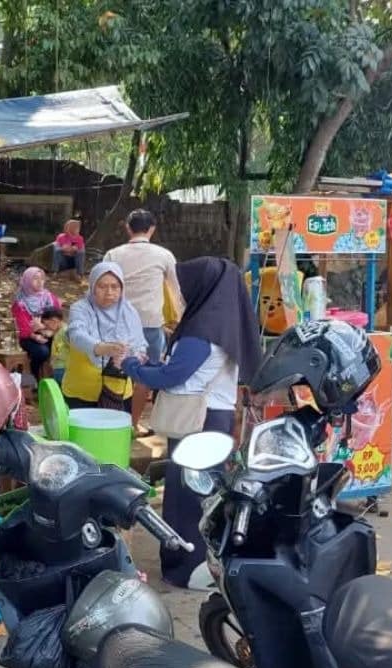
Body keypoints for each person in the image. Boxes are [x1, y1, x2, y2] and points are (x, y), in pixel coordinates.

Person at [120, 256, 260, 590]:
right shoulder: (224, 323)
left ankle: (190, 568)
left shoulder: (203, 330)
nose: (179, 293)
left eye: (183, 286)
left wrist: (131, 366)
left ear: (203, 287)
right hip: (213, 419)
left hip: (197, 422)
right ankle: (203, 564)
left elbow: (173, 376)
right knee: (205, 493)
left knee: (188, 499)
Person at [103, 209, 180, 436]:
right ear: (152, 229)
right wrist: (180, 319)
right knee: (144, 376)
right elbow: (176, 292)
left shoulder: (113, 255)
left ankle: (110, 421)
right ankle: (133, 424)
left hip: (117, 322)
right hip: (150, 323)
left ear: (128, 227)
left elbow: (100, 288)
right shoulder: (164, 255)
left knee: (113, 373)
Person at [61, 262, 148, 411]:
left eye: (115, 287)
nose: (109, 292)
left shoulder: (129, 312)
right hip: (82, 393)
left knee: (115, 432)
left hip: (119, 391)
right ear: (93, 287)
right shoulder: (81, 308)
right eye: (102, 286)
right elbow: (76, 335)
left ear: (122, 289)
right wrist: (101, 347)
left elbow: (140, 345)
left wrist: (136, 356)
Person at [12, 267, 61, 379]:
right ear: (27, 281)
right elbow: (22, 328)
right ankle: (35, 376)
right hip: (29, 337)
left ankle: (58, 378)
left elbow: (57, 319)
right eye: (35, 279)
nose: (40, 282)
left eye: (42, 278)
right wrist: (35, 335)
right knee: (42, 352)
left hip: (50, 333)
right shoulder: (20, 302)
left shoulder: (49, 297)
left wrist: (44, 327)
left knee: (63, 346)